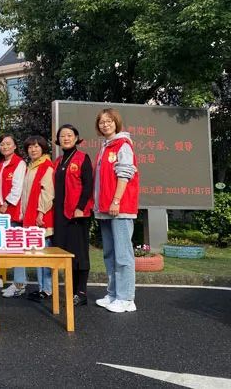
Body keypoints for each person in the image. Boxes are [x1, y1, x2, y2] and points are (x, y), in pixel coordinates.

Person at [93, 108, 139, 313]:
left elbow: (125, 174)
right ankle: (113, 294)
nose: (105, 125)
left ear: (116, 123)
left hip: (119, 208)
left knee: (123, 254)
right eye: (102, 122)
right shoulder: (105, 147)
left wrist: (116, 201)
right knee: (110, 254)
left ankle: (126, 298)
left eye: (109, 121)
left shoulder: (123, 144)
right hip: (105, 209)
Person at [52, 124, 94, 306]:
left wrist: (80, 207)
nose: (66, 138)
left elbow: (88, 185)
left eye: (69, 135)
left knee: (80, 253)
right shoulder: (58, 161)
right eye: (62, 136)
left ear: (76, 138)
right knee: (66, 253)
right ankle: (71, 290)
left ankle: (82, 292)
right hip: (60, 215)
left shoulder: (83, 158)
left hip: (77, 214)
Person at [0, 134, 28, 298]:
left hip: (13, 212)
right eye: (2, 144)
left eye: (8, 144)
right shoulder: (0, 165)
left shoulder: (19, 163)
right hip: (1, 212)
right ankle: (16, 282)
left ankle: (19, 284)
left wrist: (6, 204)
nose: (5, 147)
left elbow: (18, 187)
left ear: (15, 146)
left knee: (16, 248)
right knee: (7, 247)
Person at [21, 135, 55, 302]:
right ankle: (42, 287)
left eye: (36, 146)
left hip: (42, 217)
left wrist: (41, 212)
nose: (33, 149)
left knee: (44, 253)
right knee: (38, 253)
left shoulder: (46, 166)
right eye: (30, 147)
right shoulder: (31, 166)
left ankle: (47, 289)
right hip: (31, 216)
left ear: (43, 148)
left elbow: (48, 193)